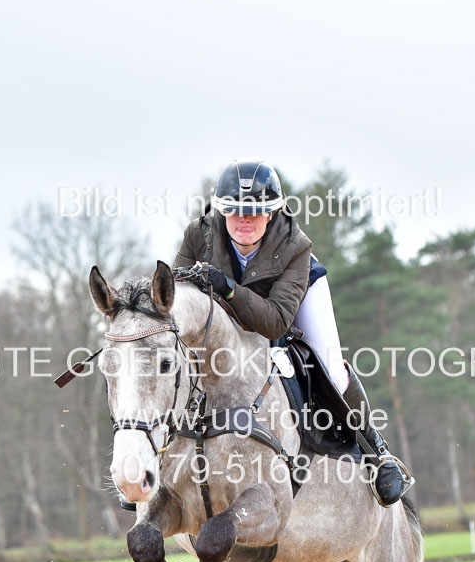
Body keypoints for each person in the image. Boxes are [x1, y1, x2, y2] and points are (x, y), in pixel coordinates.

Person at [174, 159, 411, 506]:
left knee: (329, 368)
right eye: (234, 211)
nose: (243, 220)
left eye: (253, 212)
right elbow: (175, 298)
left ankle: (378, 453)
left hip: (292, 299)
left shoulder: (295, 246)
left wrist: (227, 289)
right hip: (227, 312)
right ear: (220, 211)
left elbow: (275, 323)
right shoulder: (199, 234)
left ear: (271, 213)